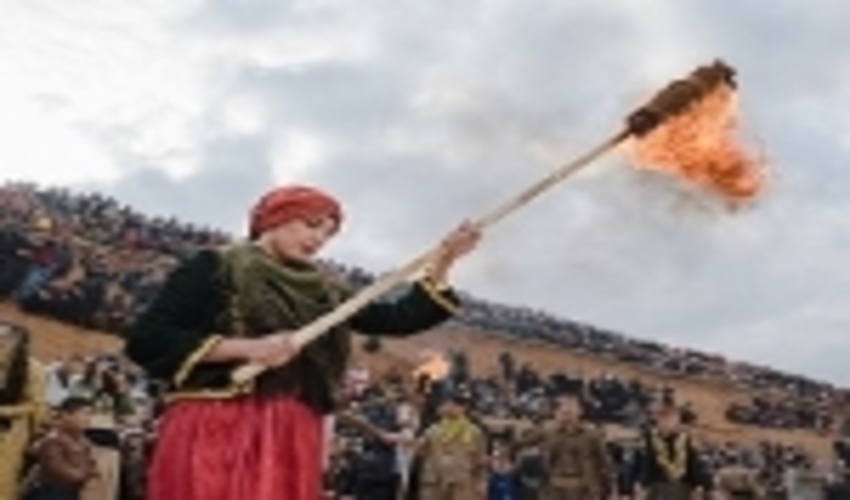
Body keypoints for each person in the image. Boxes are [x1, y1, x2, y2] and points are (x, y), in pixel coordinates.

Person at [124, 185, 481, 500]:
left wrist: (444, 260)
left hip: (293, 427)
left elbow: (398, 318)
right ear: (275, 219)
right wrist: (248, 348)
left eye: (327, 233)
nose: (318, 240)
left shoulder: (327, 289)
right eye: (311, 225)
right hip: (219, 418)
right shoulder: (216, 266)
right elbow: (148, 339)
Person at [24, 397, 98, 500]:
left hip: (71, 490)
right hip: (51, 492)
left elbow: (91, 464)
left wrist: (90, 473)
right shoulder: (51, 436)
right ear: (66, 415)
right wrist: (84, 476)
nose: (88, 419)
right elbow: (55, 467)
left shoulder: (82, 440)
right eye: (84, 414)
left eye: (90, 414)